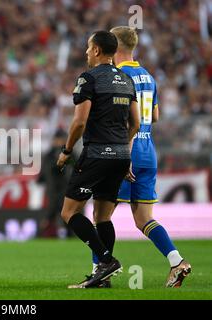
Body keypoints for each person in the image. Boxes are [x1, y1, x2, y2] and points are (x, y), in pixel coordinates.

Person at [88, 26, 190, 288]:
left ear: (116, 46)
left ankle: (100, 271)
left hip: (125, 152)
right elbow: (154, 116)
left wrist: (124, 152)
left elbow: (124, 121)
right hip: (148, 153)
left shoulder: (118, 76)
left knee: (101, 215)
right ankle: (177, 261)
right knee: (144, 219)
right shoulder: (148, 76)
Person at [56, 31, 140, 288]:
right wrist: (123, 152)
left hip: (96, 154)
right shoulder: (127, 80)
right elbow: (135, 123)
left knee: (69, 212)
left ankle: (106, 260)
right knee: (102, 217)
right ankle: (102, 278)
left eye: (87, 47)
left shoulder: (88, 78)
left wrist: (67, 151)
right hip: (121, 156)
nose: (85, 52)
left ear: (96, 51)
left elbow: (79, 122)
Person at [37, 129, 79, 238]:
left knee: (61, 216)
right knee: (52, 216)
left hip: (64, 190)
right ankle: (41, 235)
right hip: (56, 190)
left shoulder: (52, 154)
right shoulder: (57, 154)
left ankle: (43, 234)